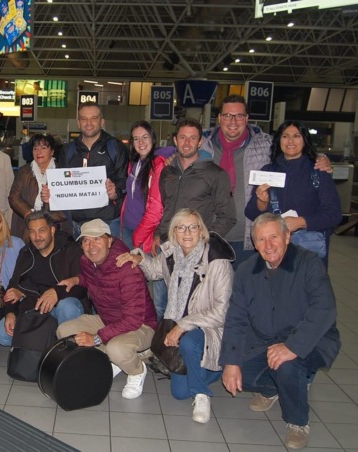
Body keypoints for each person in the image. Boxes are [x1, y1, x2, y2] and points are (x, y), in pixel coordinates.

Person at [220, 213, 340, 449]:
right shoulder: (245, 271)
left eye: (274, 237)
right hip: (265, 340)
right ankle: (272, 389)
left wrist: (292, 346)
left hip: (310, 340)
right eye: (261, 239)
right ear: (254, 244)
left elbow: (324, 308)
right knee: (237, 371)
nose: (268, 245)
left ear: (287, 237)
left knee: (287, 366)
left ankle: (298, 422)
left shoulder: (309, 263)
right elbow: (236, 318)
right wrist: (231, 361)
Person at [116, 209, 234, 423]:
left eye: (193, 227)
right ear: (174, 233)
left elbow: (221, 312)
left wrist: (182, 326)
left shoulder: (217, 261)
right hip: (178, 324)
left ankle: (202, 395)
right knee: (179, 393)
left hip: (209, 328)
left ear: (202, 231)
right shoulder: (172, 255)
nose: (187, 233)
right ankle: (212, 370)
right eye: (181, 228)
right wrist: (138, 259)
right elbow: (154, 270)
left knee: (189, 343)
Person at [199, 94, 331, 268]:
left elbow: (292, 151)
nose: (233, 121)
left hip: (251, 238)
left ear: (247, 118)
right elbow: (181, 153)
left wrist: (320, 158)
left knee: (248, 284)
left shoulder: (265, 144)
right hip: (209, 233)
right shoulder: (202, 144)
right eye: (227, 115)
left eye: (239, 116)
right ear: (219, 118)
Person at [57, 219, 158, 400]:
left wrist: (96, 338)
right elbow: (95, 278)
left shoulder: (127, 268)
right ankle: (114, 359)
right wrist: (76, 280)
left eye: (97, 239)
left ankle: (137, 370)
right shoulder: (87, 261)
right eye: (86, 240)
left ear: (109, 241)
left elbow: (133, 320)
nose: (91, 246)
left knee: (116, 348)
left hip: (141, 325)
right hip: (108, 318)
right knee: (64, 331)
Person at [152, 118, 236, 320]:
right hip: (168, 247)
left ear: (200, 142)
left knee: (191, 308)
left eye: (192, 138)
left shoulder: (215, 174)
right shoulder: (167, 172)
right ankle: (163, 338)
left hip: (196, 253)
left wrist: (204, 243)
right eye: (182, 137)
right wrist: (159, 233)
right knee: (162, 304)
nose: (187, 143)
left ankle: (186, 339)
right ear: (175, 140)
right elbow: (167, 207)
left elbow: (228, 216)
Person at [244, 120, 341, 267]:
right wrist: (262, 202)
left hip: (308, 253)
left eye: (296, 136)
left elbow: (334, 214)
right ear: (279, 140)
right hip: (273, 252)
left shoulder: (318, 172)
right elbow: (250, 213)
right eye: (285, 136)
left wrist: (300, 222)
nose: (290, 141)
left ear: (305, 140)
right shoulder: (268, 171)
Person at [0, 211, 88, 346]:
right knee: (1, 334)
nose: (37, 237)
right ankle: (48, 340)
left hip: (62, 307)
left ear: (52, 230)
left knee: (67, 307)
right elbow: (13, 285)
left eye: (42, 231)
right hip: (35, 307)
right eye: (32, 232)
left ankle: (63, 346)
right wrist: (10, 312)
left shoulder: (71, 249)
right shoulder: (26, 253)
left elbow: (83, 286)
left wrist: (57, 292)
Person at [45, 102, 129, 237]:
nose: (89, 123)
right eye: (84, 118)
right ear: (78, 123)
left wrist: (116, 192)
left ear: (102, 121)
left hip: (108, 223)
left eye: (94, 118)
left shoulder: (115, 147)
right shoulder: (68, 150)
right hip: (77, 224)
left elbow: (124, 180)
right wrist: (50, 193)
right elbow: (61, 183)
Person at [8, 133, 72, 243]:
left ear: (52, 151)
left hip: (55, 227)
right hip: (26, 227)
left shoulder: (62, 172)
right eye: (35, 148)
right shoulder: (23, 171)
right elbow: (14, 197)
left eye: (43, 148)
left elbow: (69, 203)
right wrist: (30, 214)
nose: (39, 152)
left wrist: (45, 218)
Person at [120, 120, 165, 251]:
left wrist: (138, 237)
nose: (141, 142)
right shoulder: (134, 163)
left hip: (144, 236)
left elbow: (156, 208)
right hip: (127, 228)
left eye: (145, 137)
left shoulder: (158, 166)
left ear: (153, 138)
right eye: (136, 138)